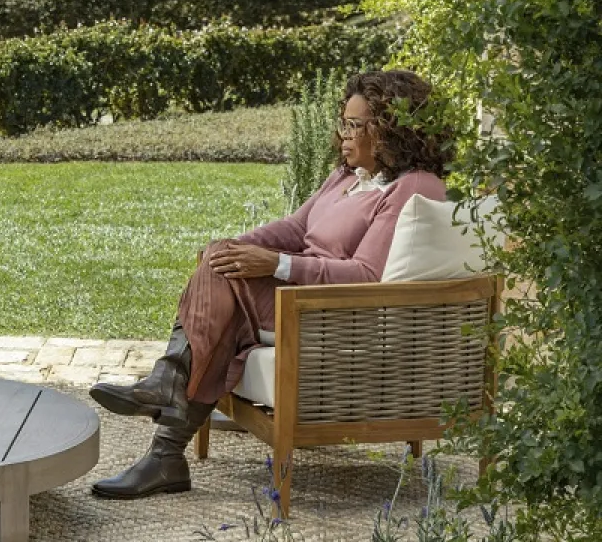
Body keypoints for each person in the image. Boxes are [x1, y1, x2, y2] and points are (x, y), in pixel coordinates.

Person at [88, 69, 451, 499]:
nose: (344, 134)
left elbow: (366, 275)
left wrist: (275, 264)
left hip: (329, 310)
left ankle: (167, 401)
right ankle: (165, 446)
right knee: (222, 275)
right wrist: (236, 246)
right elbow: (295, 227)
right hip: (293, 294)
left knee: (222, 280)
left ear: (390, 129)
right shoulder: (348, 177)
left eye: (355, 125)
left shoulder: (412, 187)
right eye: (344, 122)